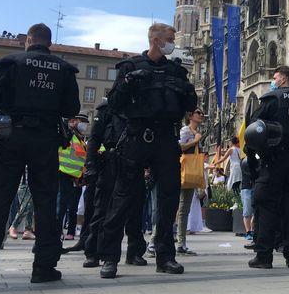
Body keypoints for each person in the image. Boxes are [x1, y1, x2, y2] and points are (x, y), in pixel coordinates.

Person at [0, 23, 80, 286]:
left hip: (12, 136)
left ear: (29, 40)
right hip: (46, 141)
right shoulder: (64, 69)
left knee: (0, 203)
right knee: (46, 203)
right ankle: (44, 268)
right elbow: (72, 107)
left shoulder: (12, 63)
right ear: (49, 43)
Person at [98, 23, 197, 279]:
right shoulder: (130, 67)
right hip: (137, 135)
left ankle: (165, 256)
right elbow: (116, 105)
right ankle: (109, 258)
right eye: (170, 39)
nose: (173, 43)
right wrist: (128, 83)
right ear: (155, 40)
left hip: (166, 137)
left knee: (168, 199)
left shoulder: (176, 71)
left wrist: (189, 92)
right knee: (123, 197)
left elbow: (188, 105)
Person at [245, 65, 289, 269]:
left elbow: (252, 132)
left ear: (283, 80)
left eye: (275, 77)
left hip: (273, 161)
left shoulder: (272, 99)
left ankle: (264, 255)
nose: (273, 81)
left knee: (267, 206)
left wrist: (252, 164)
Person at [80, 99, 146, 268]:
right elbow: (94, 139)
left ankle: (134, 251)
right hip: (110, 163)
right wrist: (90, 165)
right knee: (101, 209)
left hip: (134, 163)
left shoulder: (142, 106)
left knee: (135, 211)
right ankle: (93, 252)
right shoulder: (107, 109)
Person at [175, 109, 205, 256]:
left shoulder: (194, 131)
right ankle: (176, 242)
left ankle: (182, 243)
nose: (201, 115)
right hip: (183, 170)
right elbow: (179, 147)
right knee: (181, 208)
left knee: (184, 209)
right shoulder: (186, 130)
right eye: (198, 112)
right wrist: (195, 141)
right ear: (190, 116)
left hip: (191, 171)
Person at [56, 112, 90, 241]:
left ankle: (69, 231)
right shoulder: (68, 133)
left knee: (72, 206)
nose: (83, 125)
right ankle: (57, 231)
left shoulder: (81, 140)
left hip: (75, 178)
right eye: (80, 121)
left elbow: (81, 159)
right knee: (61, 205)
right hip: (62, 173)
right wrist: (68, 125)